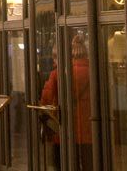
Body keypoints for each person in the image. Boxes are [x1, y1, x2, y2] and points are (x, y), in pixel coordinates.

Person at [38, 35, 92, 171]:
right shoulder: (94, 72)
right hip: (90, 129)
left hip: (66, 128)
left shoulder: (59, 74)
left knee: (63, 163)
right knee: (89, 162)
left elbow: (46, 98)